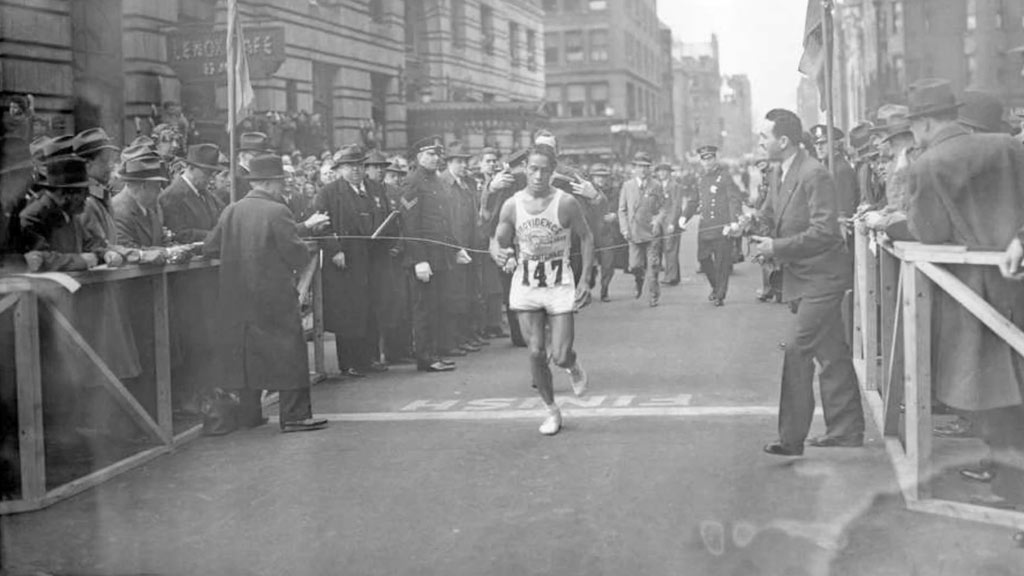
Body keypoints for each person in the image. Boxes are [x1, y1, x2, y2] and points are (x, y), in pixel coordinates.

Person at [904, 79, 1024, 509]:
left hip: (974, 295)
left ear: (923, 123)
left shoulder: (928, 164)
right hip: (1019, 283)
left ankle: (1013, 497)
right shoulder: (1009, 147)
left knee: (997, 397)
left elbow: (930, 233)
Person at [751, 108, 864, 457]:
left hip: (823, 278)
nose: (760, 141)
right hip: (803, 278)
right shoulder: (779, 171)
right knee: (831, 353)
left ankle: (791, 438)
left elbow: (824, 232)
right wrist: (749, 224)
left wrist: (777, 248)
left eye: (764, 136)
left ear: (783, 141)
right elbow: (771, 213)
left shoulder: (815, 174)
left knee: (798, 350)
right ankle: (846, 430)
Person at [204, 154, 328, 433]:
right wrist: (304, 244)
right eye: (281, 182)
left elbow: (210, 247)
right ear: (272, 183)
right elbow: (295, 254)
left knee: (248, 356)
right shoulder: (278, 211)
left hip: (236, 297)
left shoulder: (231, 210)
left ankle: (249, 414)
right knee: (290, 354)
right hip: (274, 297)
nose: (283, 188)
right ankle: (295, 415)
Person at [491, 145, 593, 435]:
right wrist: (503, 254)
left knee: (559, 355)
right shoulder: (512, 204)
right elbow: (499, 238)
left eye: (544, 170)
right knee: (535, 352)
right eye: (533, 169)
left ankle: (572, 365)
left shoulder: (566, 203)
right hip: (526, 284)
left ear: (553, 171)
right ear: (525, 168)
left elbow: (586, 237)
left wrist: (585, 279)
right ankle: (551, 411)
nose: (538, 175)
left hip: (559, 284)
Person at [314, 144, 387, 378]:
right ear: (340, 169)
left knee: (372, 307)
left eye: (359, 165)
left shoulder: (375, 189)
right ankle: (350, 362)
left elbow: (386, 216)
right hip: (345, 260)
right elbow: (320, 226)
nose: (355, 170)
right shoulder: (329, 192)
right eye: (349, 166)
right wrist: (334, 250)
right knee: (348, 311)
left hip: (373, 257)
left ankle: (371, 357)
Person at [399, 137, 461, 372]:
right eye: (429, 154)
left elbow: (443, 221)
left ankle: (434, 352)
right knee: (424, 308)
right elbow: (410, 224)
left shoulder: (435, 181)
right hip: (424, 257)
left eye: (437, 154)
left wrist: (456, 247)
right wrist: (419, 259)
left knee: (437, 306)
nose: (435, 159)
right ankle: (426, 357)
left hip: (440, 254)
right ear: (417, 157)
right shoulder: (412, 182)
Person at [680, 145, 742, 307]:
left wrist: (734, 220)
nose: (707, 162)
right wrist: (684, 217)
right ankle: (716, 287)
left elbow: (733, 198)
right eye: (704, 159)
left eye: (710, 158)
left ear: (715, 159)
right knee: (703, 258)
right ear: (700, 161)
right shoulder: (699, 178)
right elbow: (694, 200)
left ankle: (720, 295)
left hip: (722, 226)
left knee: (722, 263)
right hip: (705, 226)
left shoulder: (724, 176)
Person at [439, 142, 485, 356]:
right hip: (453, 248)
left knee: (467, 294)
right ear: (448, 163)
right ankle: (452, 341)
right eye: (458, 161)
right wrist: (455, 247)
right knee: (453, 296)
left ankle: (465, 336)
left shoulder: (466, 184)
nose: (462, 165)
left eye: (464, 161)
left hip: (468, 245)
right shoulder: (443, 184)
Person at [618, 151, 667, 306]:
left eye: (646, 167)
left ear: (650, 169)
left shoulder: (656, 185)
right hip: (633, 233)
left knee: (653, 267)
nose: (643, 170)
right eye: (640, 167)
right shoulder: (627, 186)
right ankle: (638, 280)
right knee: (635, 265)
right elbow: (622, 210)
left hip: (651, 233)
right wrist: (624, 229)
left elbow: (663, 207)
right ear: (634, 168)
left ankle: (654, 295)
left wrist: (657, 220)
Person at [158, 143, 226, 243]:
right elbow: (179, 233)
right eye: (207, 173)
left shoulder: (206, 194)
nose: (211, 178)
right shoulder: (172, 196)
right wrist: (215, 235)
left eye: (213, 173)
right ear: (191, 168)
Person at [112, 155, 169, 249]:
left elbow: (162, 240)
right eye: (157, 187)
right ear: (144, 186)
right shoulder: (118, 212)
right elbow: (128, 252)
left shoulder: (152, 206)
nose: (161, 192)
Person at [589, 163, 623, 302]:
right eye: (598, 177)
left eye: (603, 177)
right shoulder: (586, 191)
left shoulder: (615, 192)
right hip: (590, 233)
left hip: (608, 232)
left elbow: (623, 208)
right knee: (588, 264)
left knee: (608, 264)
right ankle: (588, 286)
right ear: (592, 178)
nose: (601, 180)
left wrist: (615, 216)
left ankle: (604, 290)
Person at [656, 162, 686, 286]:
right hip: (661, 220)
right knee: (665, 248)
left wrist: (673, 222)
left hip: (670, 220)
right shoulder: (657, 186)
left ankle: (671, 276)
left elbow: (677, 205)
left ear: (669, 173)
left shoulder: (675, 186)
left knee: (671, 248)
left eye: (664, 171)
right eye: (660, 171)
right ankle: (674, 275)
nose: (662, 173)